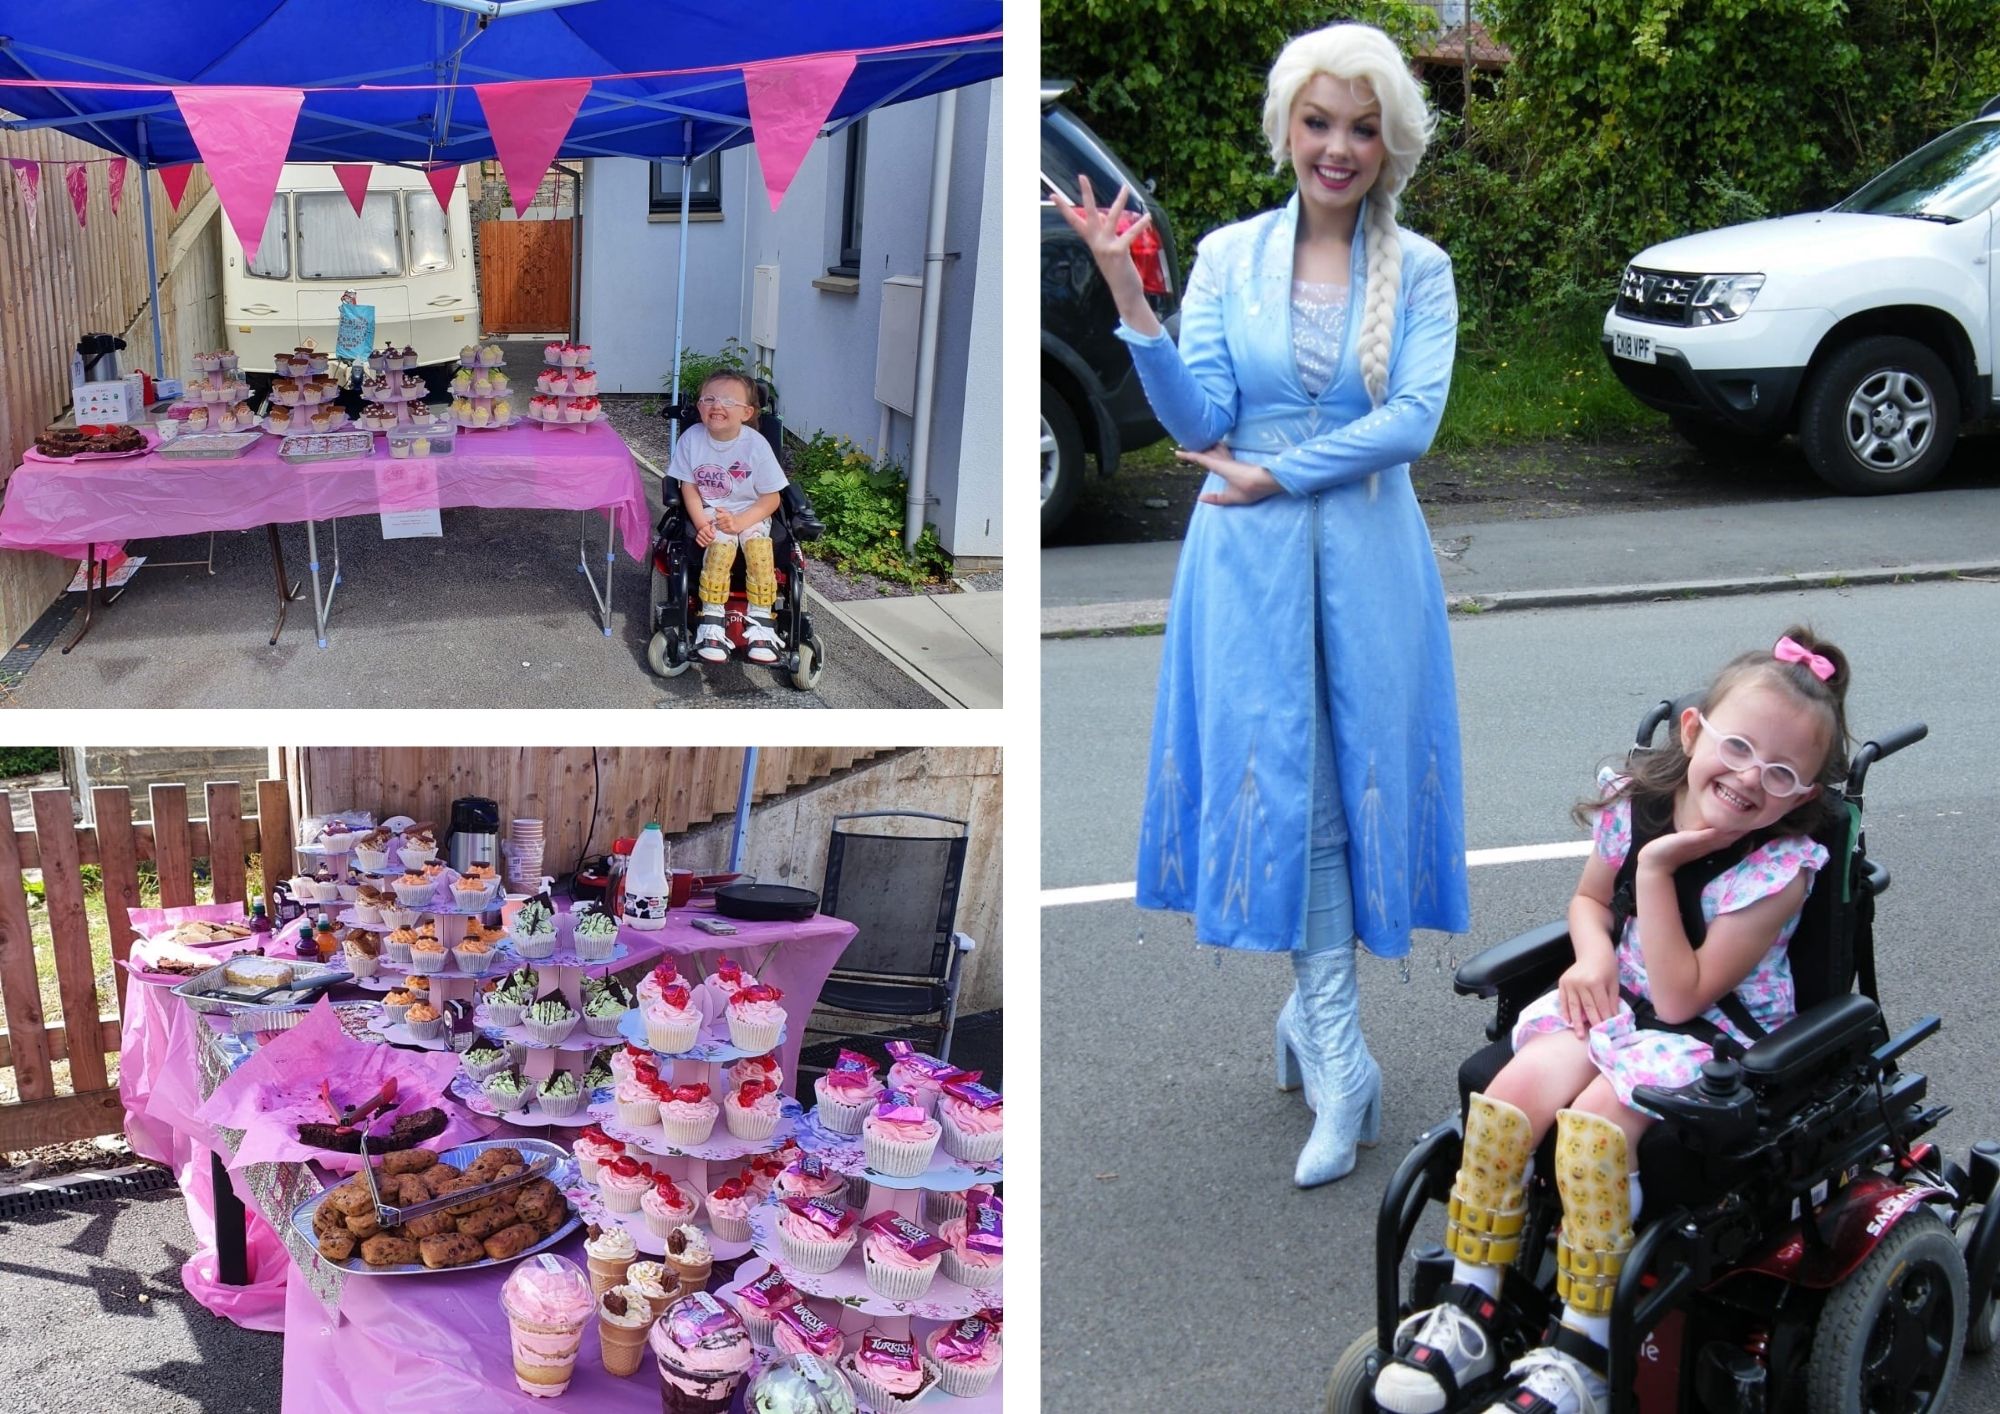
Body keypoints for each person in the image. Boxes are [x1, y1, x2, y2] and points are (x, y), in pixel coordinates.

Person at [1054, 21, 1470, 1187]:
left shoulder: (1420, 269)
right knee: (1285, 792)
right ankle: (1335, 1046)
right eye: (1316, 121)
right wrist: (1128, 296)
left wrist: (1275, 469)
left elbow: (1412, 423)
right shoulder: (1233, 255)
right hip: (1246, 567)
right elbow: (1196, 421)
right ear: (1286, 128)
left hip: (1364, 556)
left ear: (1389, 143)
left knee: (1335, 792)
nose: (1335, 147)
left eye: (1360, 127)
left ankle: (1324, 1037)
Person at [1373, 629, 1853, 1414]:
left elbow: (1680, 997)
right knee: (1508, 1100)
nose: (1745, 780)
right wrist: (1591, 954)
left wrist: (1661, 869)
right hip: (1618, 1003)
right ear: (1693, 731)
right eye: (1735, 747)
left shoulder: (1778, 873)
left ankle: (1585, 1351)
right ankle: (1471, 1308)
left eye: (1777, 774)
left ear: (1801, 797)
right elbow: (1592, 900)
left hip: (1711, 1041)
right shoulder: (1638, 808)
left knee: (1593, 1136)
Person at [669, 370, 789, 664]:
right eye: (708, 398)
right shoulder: (691, 439)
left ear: (747, 412)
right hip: (712, 511)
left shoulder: (756, 445)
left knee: (758, 546)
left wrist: (742, 522)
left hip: (751, 510)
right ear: (699, 406)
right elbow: (690, 487)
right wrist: (701, 525)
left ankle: (761, 622)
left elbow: (772, 497)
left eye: (727, 401)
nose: (716, 405)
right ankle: (711, 620)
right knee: (720, 543)